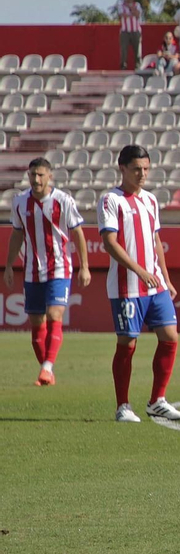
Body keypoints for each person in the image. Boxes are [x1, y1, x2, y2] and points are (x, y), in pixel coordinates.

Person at [98, 145, 180, 423]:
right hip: (127, 286)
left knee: (170, 337)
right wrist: (139, 270)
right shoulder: (111, 200)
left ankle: (157, 400)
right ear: (122, 168)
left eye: (146, 169)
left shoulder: (150, 200)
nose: (142, 174)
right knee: (128, 343)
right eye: (137, 169)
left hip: (155, 285)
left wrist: (166, 279)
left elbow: (156, 242)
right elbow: (110, 243)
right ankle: (123, 406)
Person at [6, 158, 90, 386]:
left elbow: (78, 233)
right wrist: (9, 266)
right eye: (33, 174)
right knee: (36, 322)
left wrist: (84, 266)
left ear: (49, 176)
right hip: (32, 270)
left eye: (41, 175)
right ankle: (47, 369)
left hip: (60, 267)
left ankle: (46, 367)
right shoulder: (20, 202)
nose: (36, 179)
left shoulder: (63, 201)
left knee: (54, 315)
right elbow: (16, 234)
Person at [117, 0, 144, 71]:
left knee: (138, 49)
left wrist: (131, 8)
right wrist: (132, 14)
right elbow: (122, 15)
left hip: (136, 30)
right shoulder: (121, 5)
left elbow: (138, 14)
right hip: (125, 31)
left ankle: (138, 66)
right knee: (124, 49)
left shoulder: (137, 5)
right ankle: (123, 65)